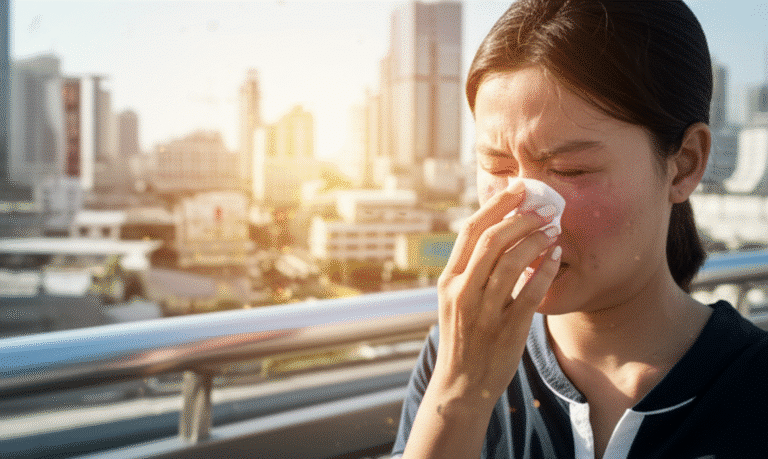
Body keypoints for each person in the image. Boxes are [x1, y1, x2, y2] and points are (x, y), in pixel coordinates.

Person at [391, 1, 768, 458]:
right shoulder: (460, 352)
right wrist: (458, 396)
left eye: (570, 170)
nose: (525, 212)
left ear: (684, 164)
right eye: (497, 167)